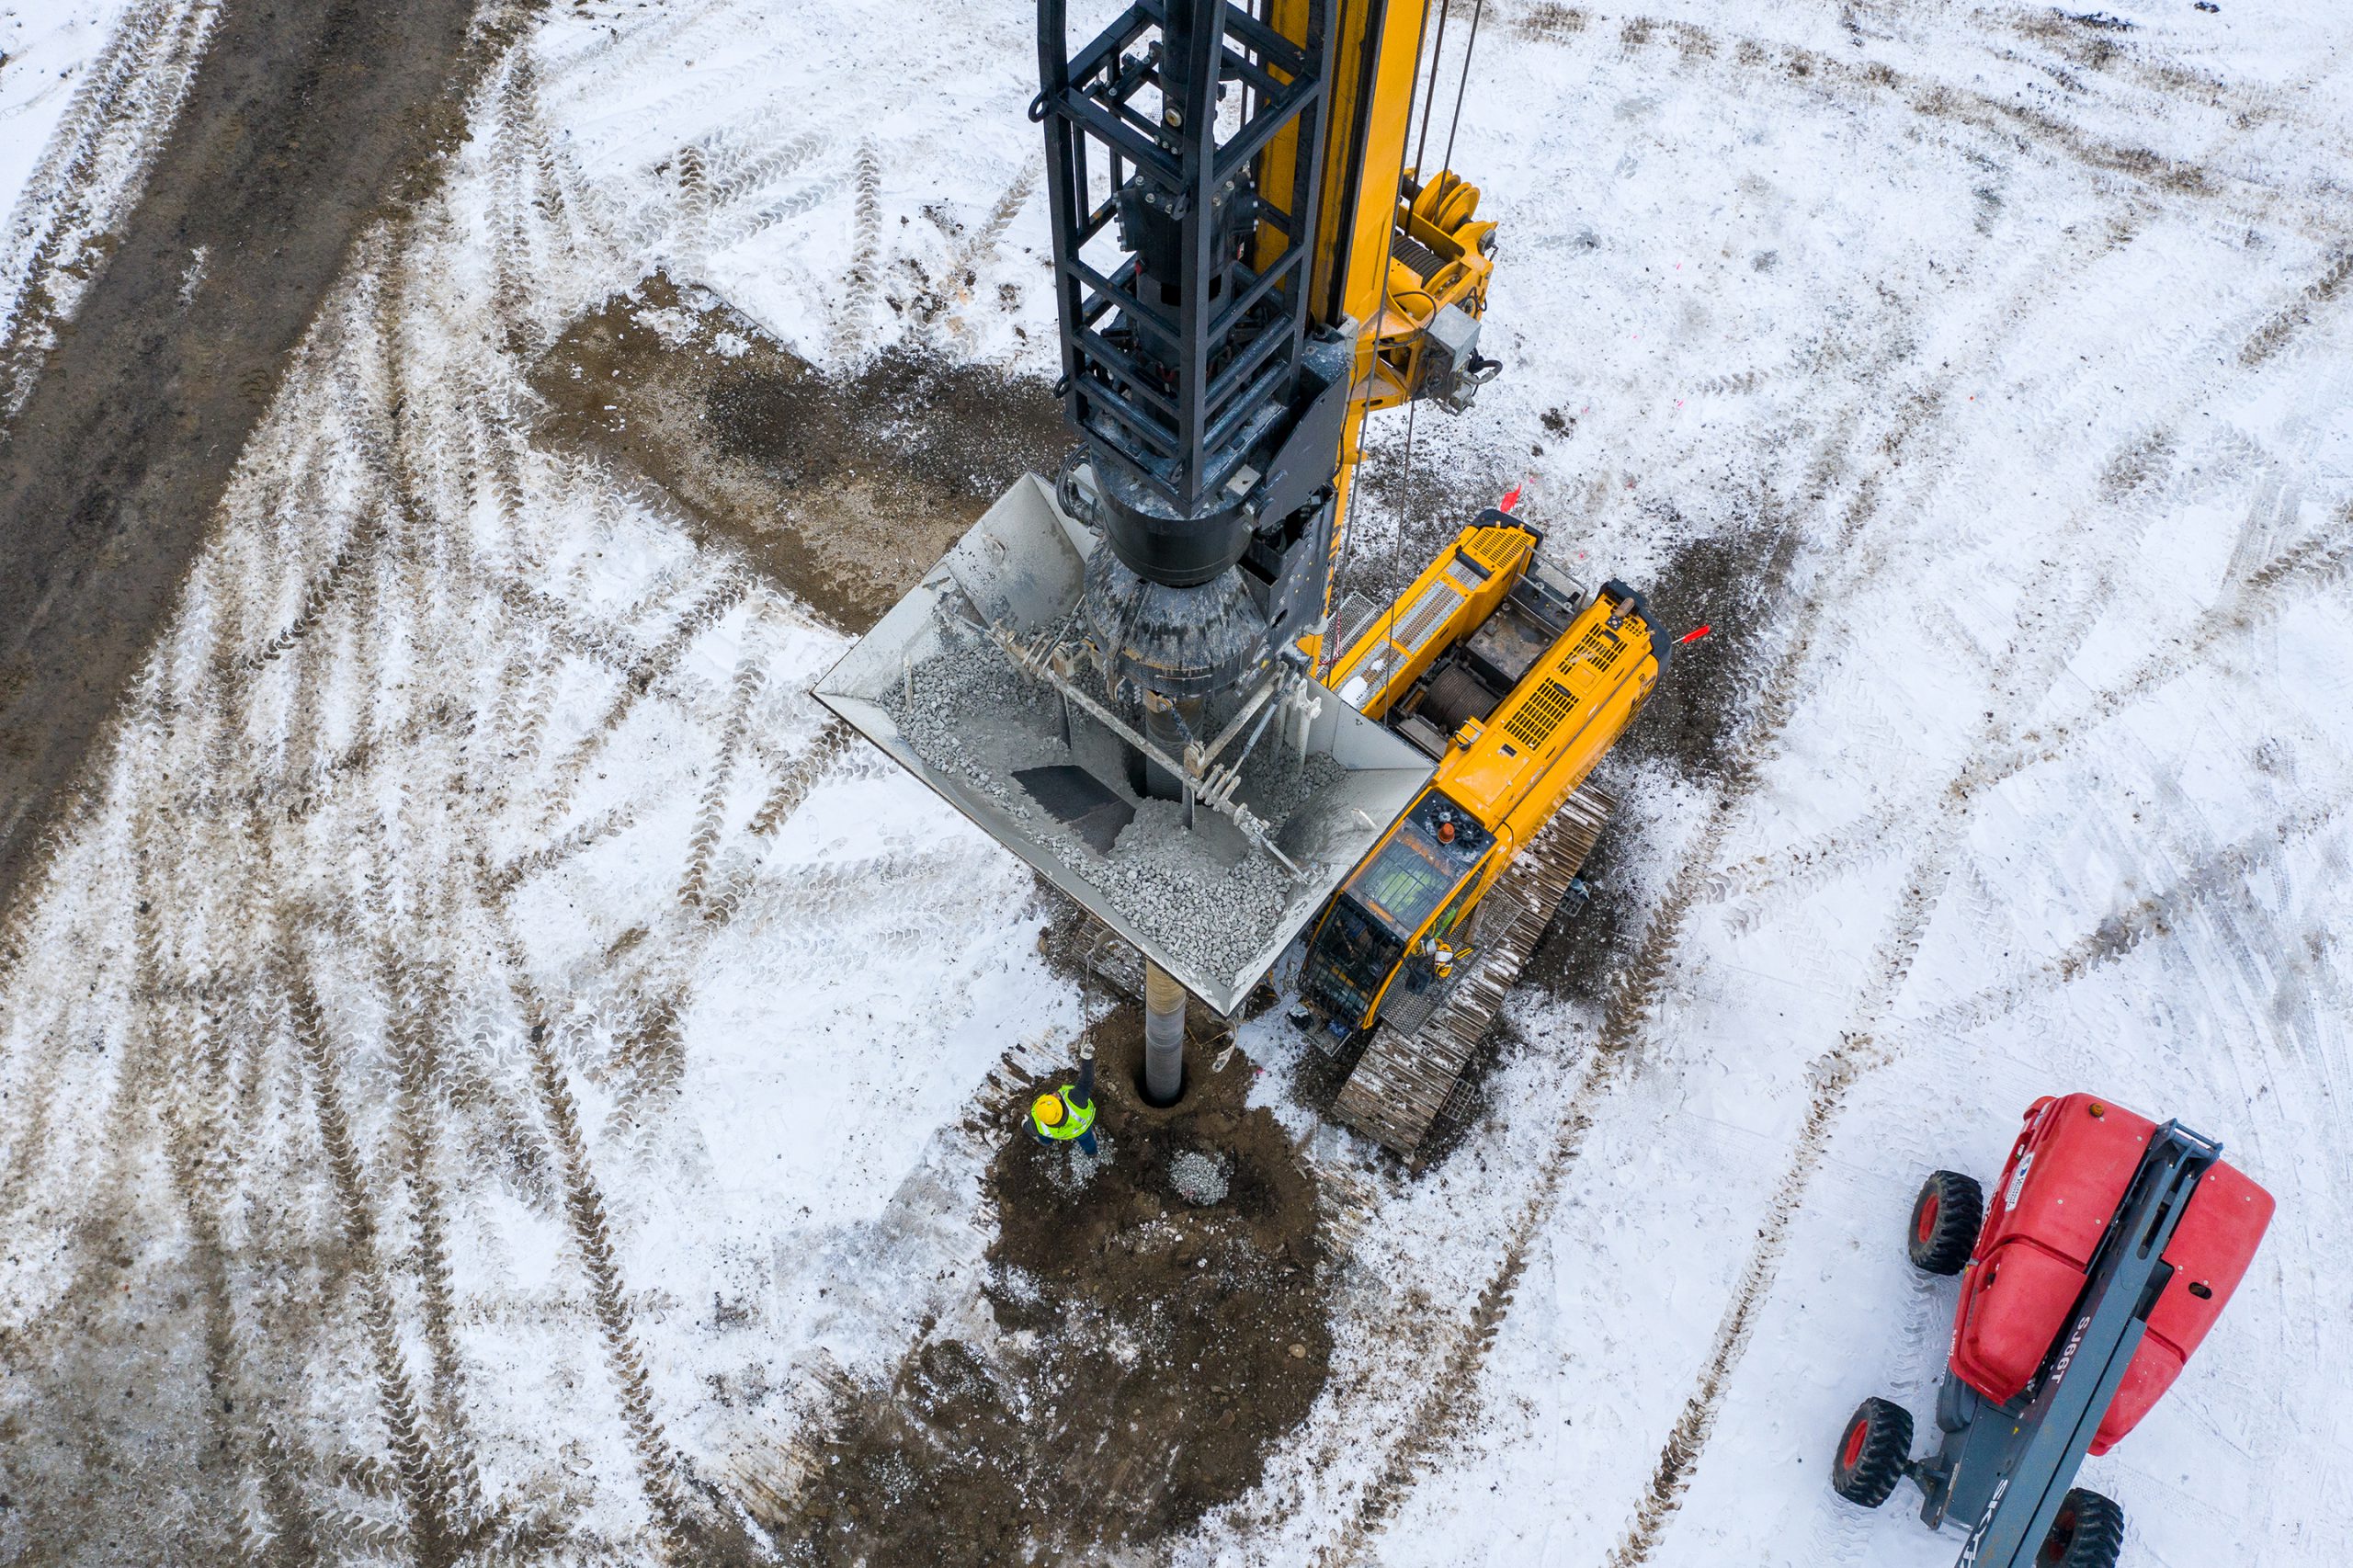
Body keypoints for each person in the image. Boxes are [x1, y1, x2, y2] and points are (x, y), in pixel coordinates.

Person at [1028, 1040, 1098, 1156]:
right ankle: (1092, 1153)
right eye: (1056, 1099)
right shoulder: (1076, 1100)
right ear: (1060, 1108)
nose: (1054, 1094)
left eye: (1050, 1098)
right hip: (1081, 1130)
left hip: (1057, 1133)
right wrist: (1087, 1058)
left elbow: (1029, 1128)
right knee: (1087, 1140)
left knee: (1044, 1136)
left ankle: (1045, 1142)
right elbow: (1086, 1081)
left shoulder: (1038, 1121)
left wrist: (1026, 1124)